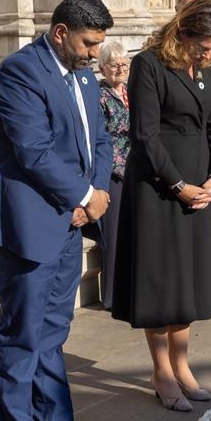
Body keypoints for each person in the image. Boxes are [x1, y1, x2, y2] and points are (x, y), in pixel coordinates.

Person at [0, 0, 114, 421]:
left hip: (69, 218)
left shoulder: (84, 75)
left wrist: (92, 195)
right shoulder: (20, 72)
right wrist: (85, 197)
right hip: (25, 223)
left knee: (53, 328)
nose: (96, 53)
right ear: (61, 32)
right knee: (23, 332)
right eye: (90, 43)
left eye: (100, 45)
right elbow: (34, 151)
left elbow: (102, 140)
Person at [112, 0, 211, 412]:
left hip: (201, 188)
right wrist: (179, 185)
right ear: (183, 36)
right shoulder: (150, 65)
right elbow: (144, 135)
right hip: (159, 188)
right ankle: (161, 370)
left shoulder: (210, 70)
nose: (209, 56)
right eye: (203, 48)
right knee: (161, 280)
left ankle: (183, 364)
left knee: (190, 278)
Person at [98, 41, 130, 310]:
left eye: (123, 64)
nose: (119, 69)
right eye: (113, 65)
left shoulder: (131, 92)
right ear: (102, 68)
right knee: (114, 233)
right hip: (113, 170)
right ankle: (110, 296)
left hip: (136, 169)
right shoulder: (100, 95)